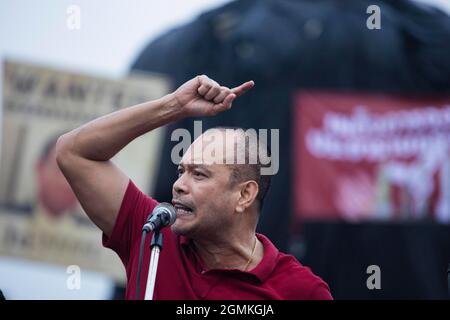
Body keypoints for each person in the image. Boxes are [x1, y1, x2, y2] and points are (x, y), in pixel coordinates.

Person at [56, 75, 332, 300]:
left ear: (244, 195)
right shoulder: (153, 235)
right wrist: (176, 105)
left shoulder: (302, 290)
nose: (178, 186)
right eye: (180, 171)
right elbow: (73, 152)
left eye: (199, 175)